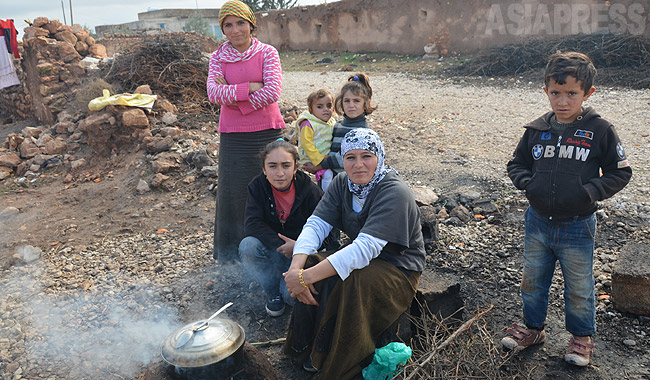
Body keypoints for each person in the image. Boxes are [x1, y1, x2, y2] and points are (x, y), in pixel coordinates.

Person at [503, 52, 632, 367]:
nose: (562, 101)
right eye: (555, 93)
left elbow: (621, 172)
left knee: (579, 286)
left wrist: (590, 191)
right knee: (533, 281)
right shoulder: (536, 130)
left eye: (571, 93)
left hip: (577, 225)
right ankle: (533, 329)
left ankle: (581, 337)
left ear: (588, 93)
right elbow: (516, 164)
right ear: (546, 91)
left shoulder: (600, 130)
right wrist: (528, 184)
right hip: (537, 223)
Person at [283, 128, 425, 379]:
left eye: (366, 156)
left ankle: (342, 362)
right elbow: (316, 224)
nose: (358, 165)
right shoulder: (342, 183)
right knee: (314, 263)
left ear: (379, 157)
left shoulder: (393, 191)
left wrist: (304, 279)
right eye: (350, 157)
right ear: (342, 159)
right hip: (364, 257)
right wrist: (297, 270)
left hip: (398, 268)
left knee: (352, 281)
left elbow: (364, 249)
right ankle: (308, 349)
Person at [206, 0, 285, 262]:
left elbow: (273, 90)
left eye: (240, 23)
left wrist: (235, 100)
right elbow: (213, 93)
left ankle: (273, 248)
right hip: (234, 137)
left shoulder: (268, 53)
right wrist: (250, 87)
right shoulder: (217, 58)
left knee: (273, 186)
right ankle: (231, 253)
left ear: (251, 24)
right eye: (228, 25)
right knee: (234, 192)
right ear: (222, 29)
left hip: (267, 132)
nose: (235, 30)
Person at [239, 140, 327, 317]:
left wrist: (299, 246)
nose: (279, 173)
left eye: (286, 166)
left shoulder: (310, 191)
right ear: (264, 169)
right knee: (248, 246)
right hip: (273, 249)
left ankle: (284, 287)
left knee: (292, 298)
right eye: (272, 166)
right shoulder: (257, 187)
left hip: (302, 254)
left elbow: (328, 231)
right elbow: (252, 224)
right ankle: (272, 292)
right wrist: (281, 244)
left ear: (295, 168)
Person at [303, 73, 376, 177]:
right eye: (347, 101)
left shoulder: (363, 131)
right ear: (341, 103)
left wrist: (319, 166)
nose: (351, 105)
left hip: (348, 180)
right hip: (329, 176)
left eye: (356, 101)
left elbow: (345, 157)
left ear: (366, 103)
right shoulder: (337, 126)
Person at [295, 88, 336, 191]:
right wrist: (318, 158)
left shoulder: (331, 122)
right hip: (311, 157)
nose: (325, 109)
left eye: (329, 105)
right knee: (328, 174)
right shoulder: (309, 124)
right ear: (311, 109)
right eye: (319, 107)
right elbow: (306, 144)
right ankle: (326, 196)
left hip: (325, 155)